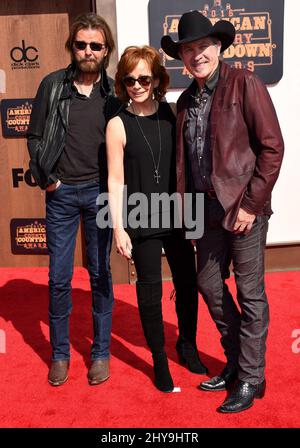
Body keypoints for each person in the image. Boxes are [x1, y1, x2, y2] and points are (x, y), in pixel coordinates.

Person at [161, 11, 284, 412]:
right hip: (205, 210)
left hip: (243, 209)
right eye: (188, 50)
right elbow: (185, 164)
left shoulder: (245, 83)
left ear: (218, 48)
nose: (196, 55)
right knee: (210, 287)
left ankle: (251, 377)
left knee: (251, 295)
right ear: (182, 56)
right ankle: (237, 361)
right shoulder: (184, 101)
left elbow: (272, 148)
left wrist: (251, 204)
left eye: (202, 47)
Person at [106, 45, 208, 392]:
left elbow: (190, 168)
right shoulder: (117, 125)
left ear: (156, 80)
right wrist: (117, 226)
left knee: (187, 284)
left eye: (143, 78)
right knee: (150, 291)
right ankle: (159, 359)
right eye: (129, 79)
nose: (136, 85)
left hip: (178, 211)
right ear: (122, 82)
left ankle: (188, 345)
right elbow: (115, 180)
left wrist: (196, 217)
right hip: (139, 214)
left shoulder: (173, 114)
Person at [27, 13, 120, 386]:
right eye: (81, 44)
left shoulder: (114, 94)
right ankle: (61, 353)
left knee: (100, 275)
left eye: (95, 45)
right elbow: (34, 135)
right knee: (59, 278)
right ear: (72, 47)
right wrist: (48, 179)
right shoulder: (52, 85)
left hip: (100, 194)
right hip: (62, 195)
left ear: (106, 50)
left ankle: (99, 353)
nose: (88, 51)